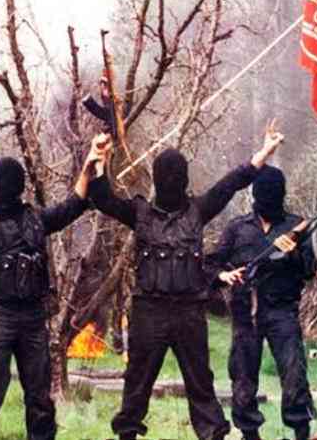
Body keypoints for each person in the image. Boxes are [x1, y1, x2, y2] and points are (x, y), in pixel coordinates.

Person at [86, 120, 285, 440]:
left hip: (189, 311)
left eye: (176, 175)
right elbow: (103, 198)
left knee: (200, 382)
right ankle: (127, 434)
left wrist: (265, 150)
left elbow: (234, 181)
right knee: (137, 381)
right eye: (167, 175)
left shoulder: (198, 210)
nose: (171, 180)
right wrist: (98, 160)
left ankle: (213, 434)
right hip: (149, 311)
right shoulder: (140, 213)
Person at [0, 141, 101, 440]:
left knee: (39, 397)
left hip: (33, 317)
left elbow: (75, 203)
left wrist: (89, 165)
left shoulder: (36, 220)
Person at [208, 165, 317, 440]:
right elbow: (211, 265)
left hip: (283, 311)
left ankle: (301, 431)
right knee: (243, 377)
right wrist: (223, 276)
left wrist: (293, 254)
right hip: (245, 312)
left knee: (294, 375)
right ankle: (249, 434)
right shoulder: (238, 228)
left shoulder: (295, 226)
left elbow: (309, 270)